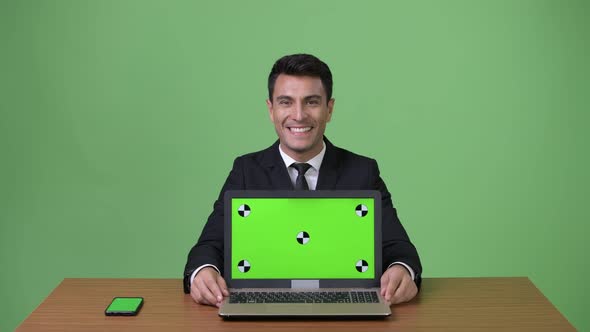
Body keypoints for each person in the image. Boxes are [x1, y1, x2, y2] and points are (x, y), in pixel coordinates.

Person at [183, 54, 422, 308]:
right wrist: (204, 271)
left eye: (311, 102)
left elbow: (398, 246)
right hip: (263, 313)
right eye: (286, 102)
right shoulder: (245, 171)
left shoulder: (362, 171)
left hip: (343, 313)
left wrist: (401, 269)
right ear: (271, 109)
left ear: (329, 109)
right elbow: (209, 245)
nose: (299, 115)